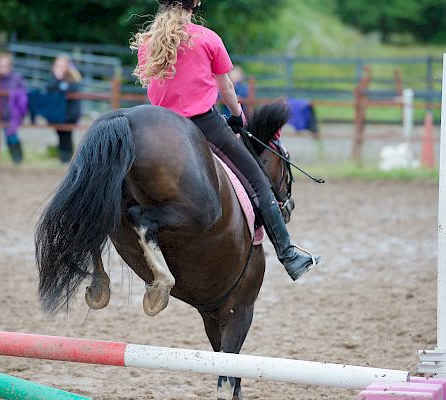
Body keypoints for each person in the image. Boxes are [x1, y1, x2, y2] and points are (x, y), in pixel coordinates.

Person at [131, 0, 320, 281]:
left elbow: (153, 87)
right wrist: (237, 116)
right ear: (194, 4)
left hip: (159, 123)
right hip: (202, 123)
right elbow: (226, 86)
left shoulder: (148, 43)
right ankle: (289, 255)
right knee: (259, 182)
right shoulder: (208, 38)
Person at [46, 55, 82, 163]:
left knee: (66, 135)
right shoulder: (54, 79)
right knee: (61, 134)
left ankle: (66, 158)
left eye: (62, 66)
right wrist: (57, 78)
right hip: (59, 114)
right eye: (57, 65)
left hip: (69, 114)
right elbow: (49, 88)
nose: (59, 68)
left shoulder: (73, 79)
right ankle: (64, 157)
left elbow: (73, 91)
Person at [0, 53, 27, 164]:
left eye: (5, 65)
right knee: (8, 136)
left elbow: (22, 97)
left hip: (14, 112)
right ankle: (16, 159)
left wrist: (19, 111)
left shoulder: (16, 79)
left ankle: (18, 159)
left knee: (11, 135)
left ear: (10, 66)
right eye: (0, 66)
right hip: (3, 112)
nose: (2, 68)